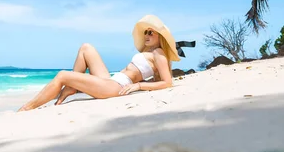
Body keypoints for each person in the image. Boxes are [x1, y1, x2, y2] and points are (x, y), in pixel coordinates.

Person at [17, 14, 181, 112]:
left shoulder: (159, 53)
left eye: (151, 32)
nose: (147, 35)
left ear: (160, 36)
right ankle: (72, 87)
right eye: (146, 32)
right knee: (86, 48)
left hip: (115, 87)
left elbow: (167, 83)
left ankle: (28, 107)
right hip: (111, 81)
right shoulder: (148, 52)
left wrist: (139, 86)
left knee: (62, 75)